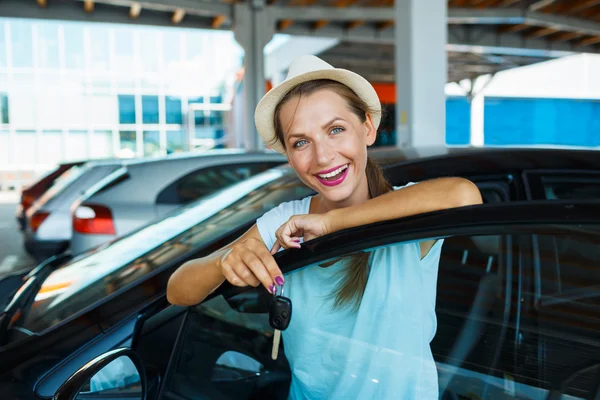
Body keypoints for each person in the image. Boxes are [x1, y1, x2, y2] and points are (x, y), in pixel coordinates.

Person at [167, 55, 483, 399]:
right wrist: (223, 262)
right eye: (300, 142)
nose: (322, 156)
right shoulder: (283, 221)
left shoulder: (407, 212)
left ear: (367, 128)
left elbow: (463, 195)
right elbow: (178, 290)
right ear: (289, 155)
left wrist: (331, 223)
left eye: (335, 130)